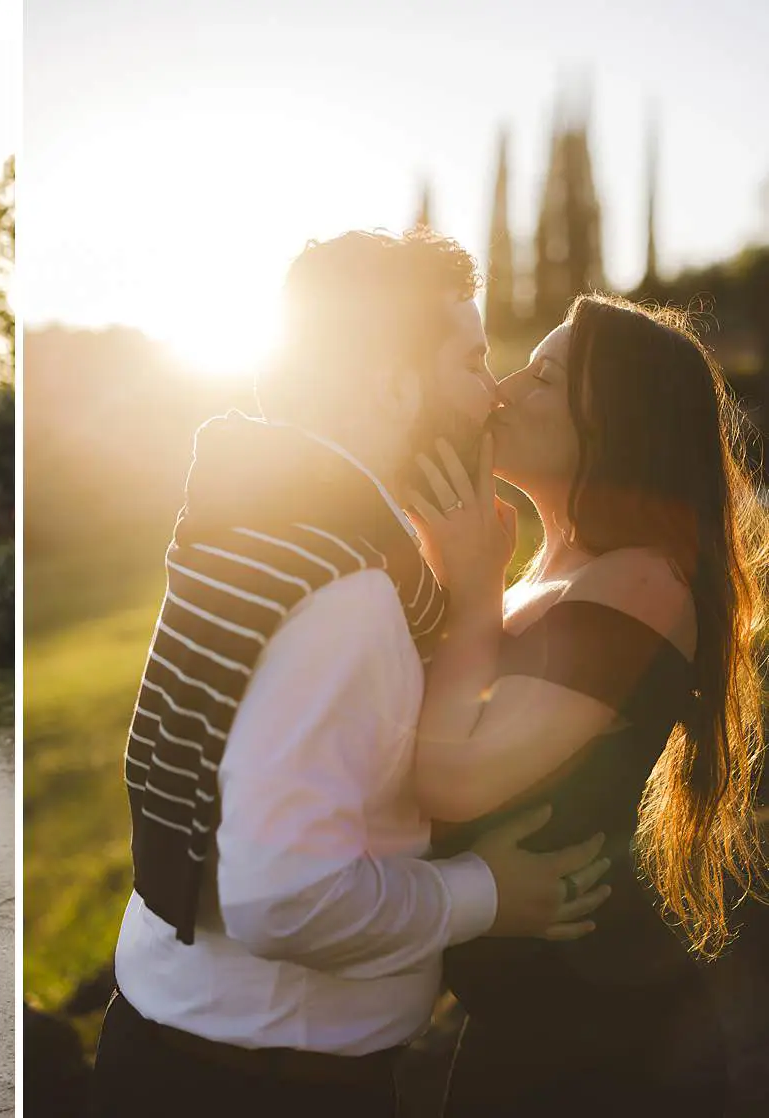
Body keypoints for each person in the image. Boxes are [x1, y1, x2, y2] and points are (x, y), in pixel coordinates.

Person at [88, 230, 611, 1118]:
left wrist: (469, 591)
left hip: (194, 1052)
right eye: (471, 359)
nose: (492, 393)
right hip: (256, 1086)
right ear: (392, 387)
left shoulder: (278, 523)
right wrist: (484, 893)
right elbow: (282, 899)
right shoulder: (346, 595)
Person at [409, 295, 769, 1117]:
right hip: (529, 1035)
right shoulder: (549, 579)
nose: (501, 389)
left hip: (610, 1051)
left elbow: (453, 780)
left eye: (542, 378)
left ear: (612, 419)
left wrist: (471, 592)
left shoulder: (643, 580)